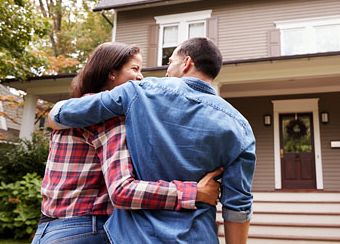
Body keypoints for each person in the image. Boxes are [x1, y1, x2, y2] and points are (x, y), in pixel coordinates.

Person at [49, 37, 256, 244]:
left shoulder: (138, 92)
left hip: (137, 237)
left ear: (186, 63)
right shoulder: (240, 127)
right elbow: (238, 206)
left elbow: (66, 113)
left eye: (170, 62)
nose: (166, 69)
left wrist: (54, 116)